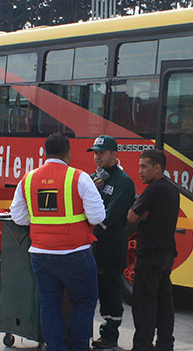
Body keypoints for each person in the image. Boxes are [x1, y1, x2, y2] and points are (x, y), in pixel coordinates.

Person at [9, 132, 106, 351]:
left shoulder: (29, 179)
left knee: (49, 305)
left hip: (40, 254)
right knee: (84, 301)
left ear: (45, 152)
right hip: (75, 254)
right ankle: (78, 347)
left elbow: (18, 216)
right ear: (68, 153)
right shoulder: (79, 178)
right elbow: (98, 217)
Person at [86, 135, 135, 350]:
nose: (97, 157)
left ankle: (109, 335)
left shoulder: (123, 182)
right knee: (86, 292)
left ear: (114, 155)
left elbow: (107, 217)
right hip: (91, 246)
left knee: (110, 292)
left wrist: (84, 226)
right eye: (95, 153)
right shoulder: (91, 179)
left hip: (111, 246)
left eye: (101, 153)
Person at [127, 149, 179, 351]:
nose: (139, 171)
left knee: (144, 304)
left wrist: (141, 214)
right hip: (167, 254)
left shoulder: (153, 189)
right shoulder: (172, 189)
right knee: (165, 302)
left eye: (144, 166)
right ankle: (165, 344)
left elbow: (132, 216)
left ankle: (142, 346)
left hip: (149, 255)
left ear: (157, 168)